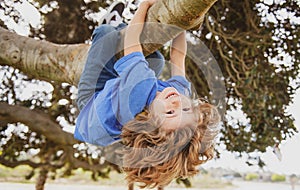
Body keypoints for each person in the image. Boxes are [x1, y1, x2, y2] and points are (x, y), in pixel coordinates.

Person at [74, 0, 220, 188]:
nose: (176, 103)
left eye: (169, 113)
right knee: (156, 60)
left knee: (107, 36)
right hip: (115, 101)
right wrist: (183, 23)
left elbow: (132, 43)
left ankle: (111, 21)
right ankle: (124, 56)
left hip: (92, 101)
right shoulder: (179, 95)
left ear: (149, 123)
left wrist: (143, 6)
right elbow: (177, 57)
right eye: (186, 108)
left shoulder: (138, 92)